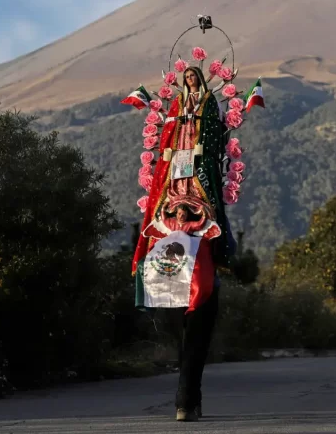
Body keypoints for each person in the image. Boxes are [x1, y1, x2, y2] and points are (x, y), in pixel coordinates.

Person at [129, 39, 256, 422]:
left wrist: (200, 136)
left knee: (213, 218)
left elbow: (217, 137)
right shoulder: (176, 109)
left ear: (202, 82)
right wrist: (172, 141)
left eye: (194, 79)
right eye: (185, 79)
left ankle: (223, 254)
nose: (191, 84)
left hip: (198, 170)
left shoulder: (208, 108)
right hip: (175, 169)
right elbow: (167, 137)